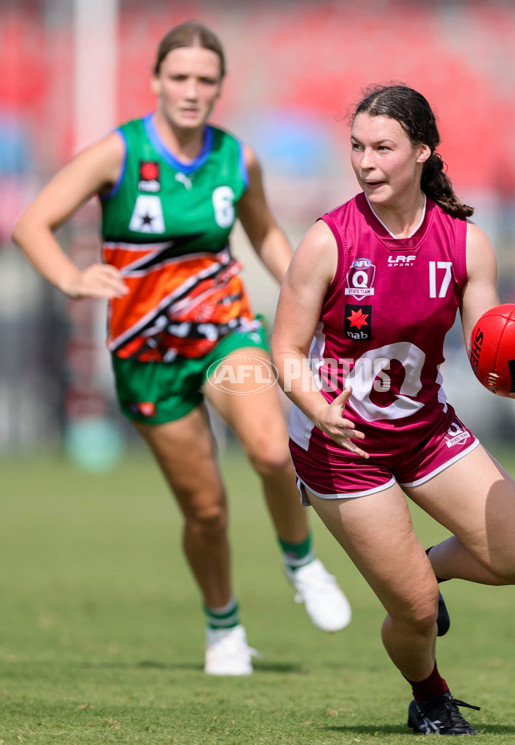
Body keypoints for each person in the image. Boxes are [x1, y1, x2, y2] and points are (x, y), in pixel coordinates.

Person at [12, 20, 351, 677]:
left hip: (225, 331)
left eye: (205, 80)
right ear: (156, 82)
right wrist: (73, 278)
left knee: (270, 447)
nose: (192, 91)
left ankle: (301, 559)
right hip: (146, 355)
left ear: (221, 87)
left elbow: (267, 238)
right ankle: (224, 627)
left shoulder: (236, 158)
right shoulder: (118, 153)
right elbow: (33, 224)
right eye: (180, 78)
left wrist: (312, 293)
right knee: (206, 509)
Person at [271, 84, 515, 734]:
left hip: (426, 429)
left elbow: (495, 358)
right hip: (341, 445)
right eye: (356, 147)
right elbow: (285, 352)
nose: (366, 163)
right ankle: (428, 695)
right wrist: (318, 408)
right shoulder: (328, 241)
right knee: (418, 614)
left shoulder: (465, 243)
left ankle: (419, 568)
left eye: (383, 148)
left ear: (423, 152)